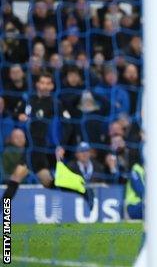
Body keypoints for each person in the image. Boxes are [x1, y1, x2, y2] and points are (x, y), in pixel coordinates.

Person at [1, 72, 94, 209]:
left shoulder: (54, 104)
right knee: (48, 183)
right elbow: (13, 113)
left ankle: (5, 219)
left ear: (51, 86)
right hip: (30, 148)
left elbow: (68, 125)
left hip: (38, 148)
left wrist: (62, 145)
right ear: (37, 84)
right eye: (42, 82)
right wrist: (18, 116)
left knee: (15, 179)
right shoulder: (29, 99)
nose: (44, 86)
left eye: (47, 83)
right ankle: (84, 191)